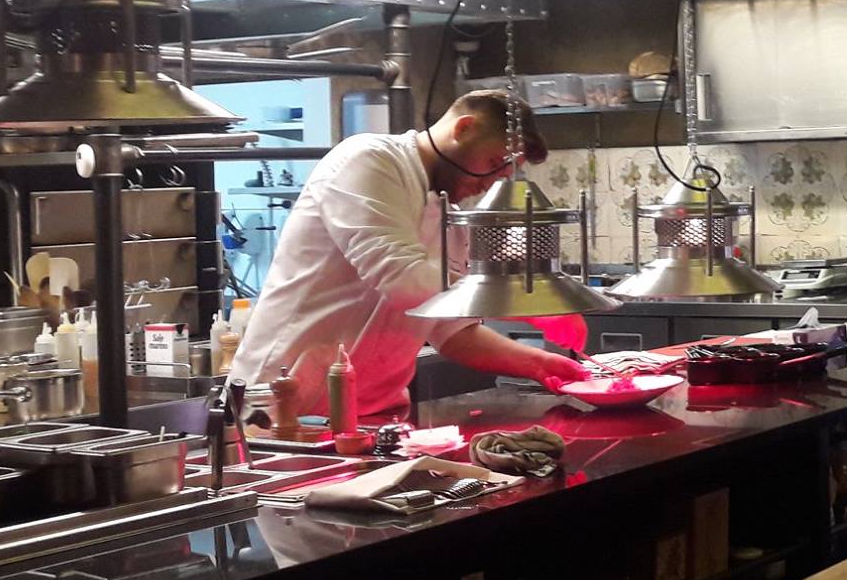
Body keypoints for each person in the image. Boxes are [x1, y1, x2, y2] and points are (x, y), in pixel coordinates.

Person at [227, 89, 589, 418]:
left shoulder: (451, 215)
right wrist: (529, 302)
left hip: (377, 413)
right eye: (494, 161)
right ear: (463, 128)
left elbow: (452, 331)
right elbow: (401, 279)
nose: (490, 182)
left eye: (504, 173)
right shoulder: (368, 160)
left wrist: (540, 365)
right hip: (282, 411)